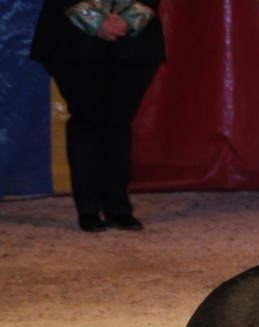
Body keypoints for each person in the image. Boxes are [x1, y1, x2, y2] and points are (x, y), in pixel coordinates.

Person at [30, 0, 166, 233]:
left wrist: (128, 18)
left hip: (134, 40)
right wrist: (93, 19)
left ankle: (119, 208)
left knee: (119, 122)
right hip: (73, 39)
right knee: (86, 120)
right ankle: (88, 209)